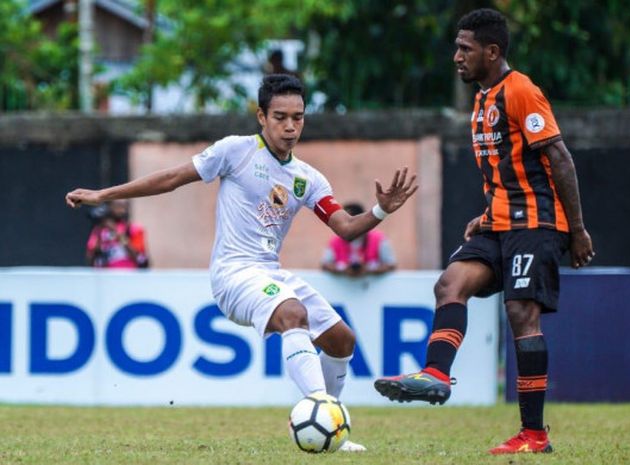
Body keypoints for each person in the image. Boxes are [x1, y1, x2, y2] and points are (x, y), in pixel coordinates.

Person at [66, 74, 417, 452]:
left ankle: (329, 428)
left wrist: (381, 210)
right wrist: (104, 193)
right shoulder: (235, 151)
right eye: (280, 116)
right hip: (233, 274)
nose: (289, 126)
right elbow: (171, 178)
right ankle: (324, 411)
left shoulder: (307, 179)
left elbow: (346, 228)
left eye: (297, 117)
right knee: (293, 314)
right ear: (261, 117)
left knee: (341, 340)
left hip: (270, 272)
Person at [374, 8, 594, 455]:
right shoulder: (481, 99)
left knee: (520, 314)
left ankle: (533, 434)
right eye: (456, 47)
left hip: (534, 222)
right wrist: (487, 210)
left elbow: (559, 159)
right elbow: (506, 170)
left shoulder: (521, 91)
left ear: (492, 52)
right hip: (498, 222)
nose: (456, 56)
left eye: (465, 48)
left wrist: (577, 229)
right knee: (450, 283)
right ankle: (435, 374)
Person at [321, 202, 397, 277]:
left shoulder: (379, 239)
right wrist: (343, 270)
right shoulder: (336, 241)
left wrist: (368, 270)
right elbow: (325, 265)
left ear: (362, 220)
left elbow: (391, 265)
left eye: (350, 222)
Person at [86, 199, 149, 269]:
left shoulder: (134, 229)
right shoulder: (99, 230)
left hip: (128, 276)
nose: (122, 210)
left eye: (124, 206)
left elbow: (140, 259)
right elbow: (91, 257)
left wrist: (117, 232)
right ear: (109, 207)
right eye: (118, 205)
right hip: (104, 276)